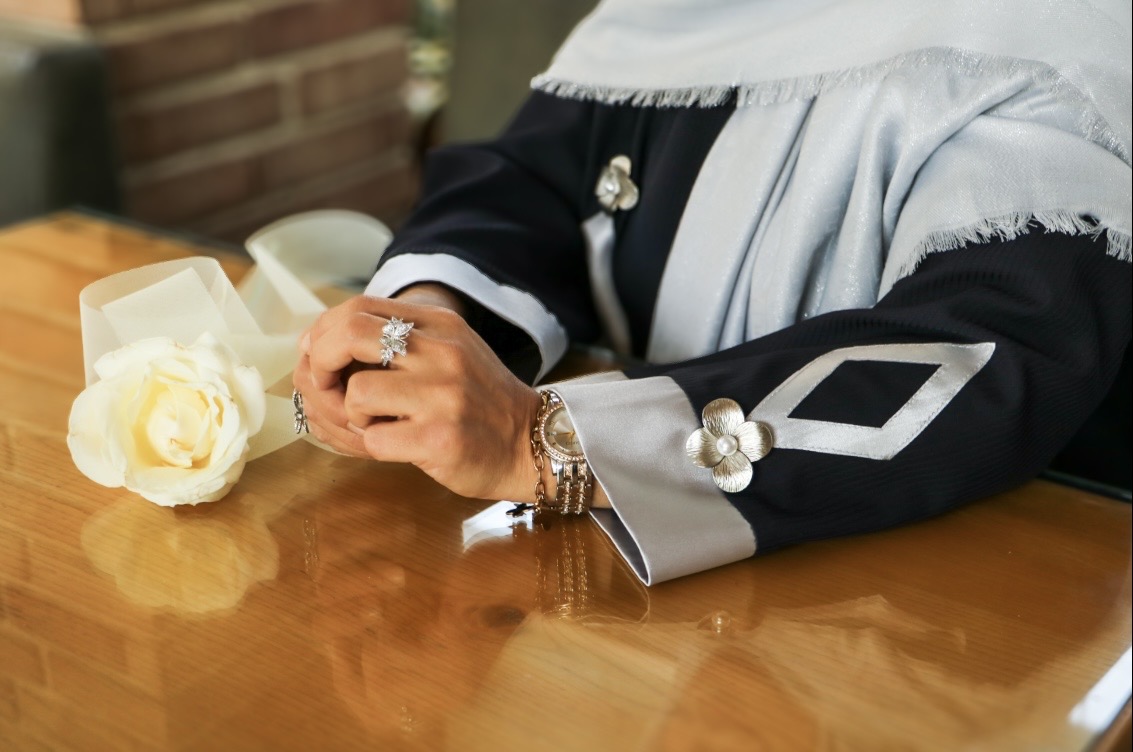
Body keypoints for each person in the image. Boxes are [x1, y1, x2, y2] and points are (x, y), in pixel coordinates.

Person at [293, 0, 1131, 585]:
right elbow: (526, 180)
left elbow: (990, 342)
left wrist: (547, 443)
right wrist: (425, 323)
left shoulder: (1046, 38)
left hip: (916, 602)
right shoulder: (672, 15)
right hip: (602, 586)